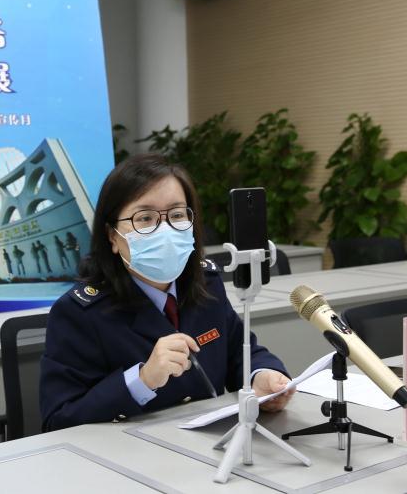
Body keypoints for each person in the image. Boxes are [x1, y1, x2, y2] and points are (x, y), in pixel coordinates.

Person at [40, 154, 293, 431]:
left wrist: (262, 375)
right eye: (145, 218)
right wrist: (142, 380)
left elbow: (240, 352)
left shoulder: (206, 284)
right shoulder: (80, 313)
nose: (165, 230)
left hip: (210, 444)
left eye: (177, 215)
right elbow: (59, 420)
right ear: (112, 236)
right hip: (132, 451)